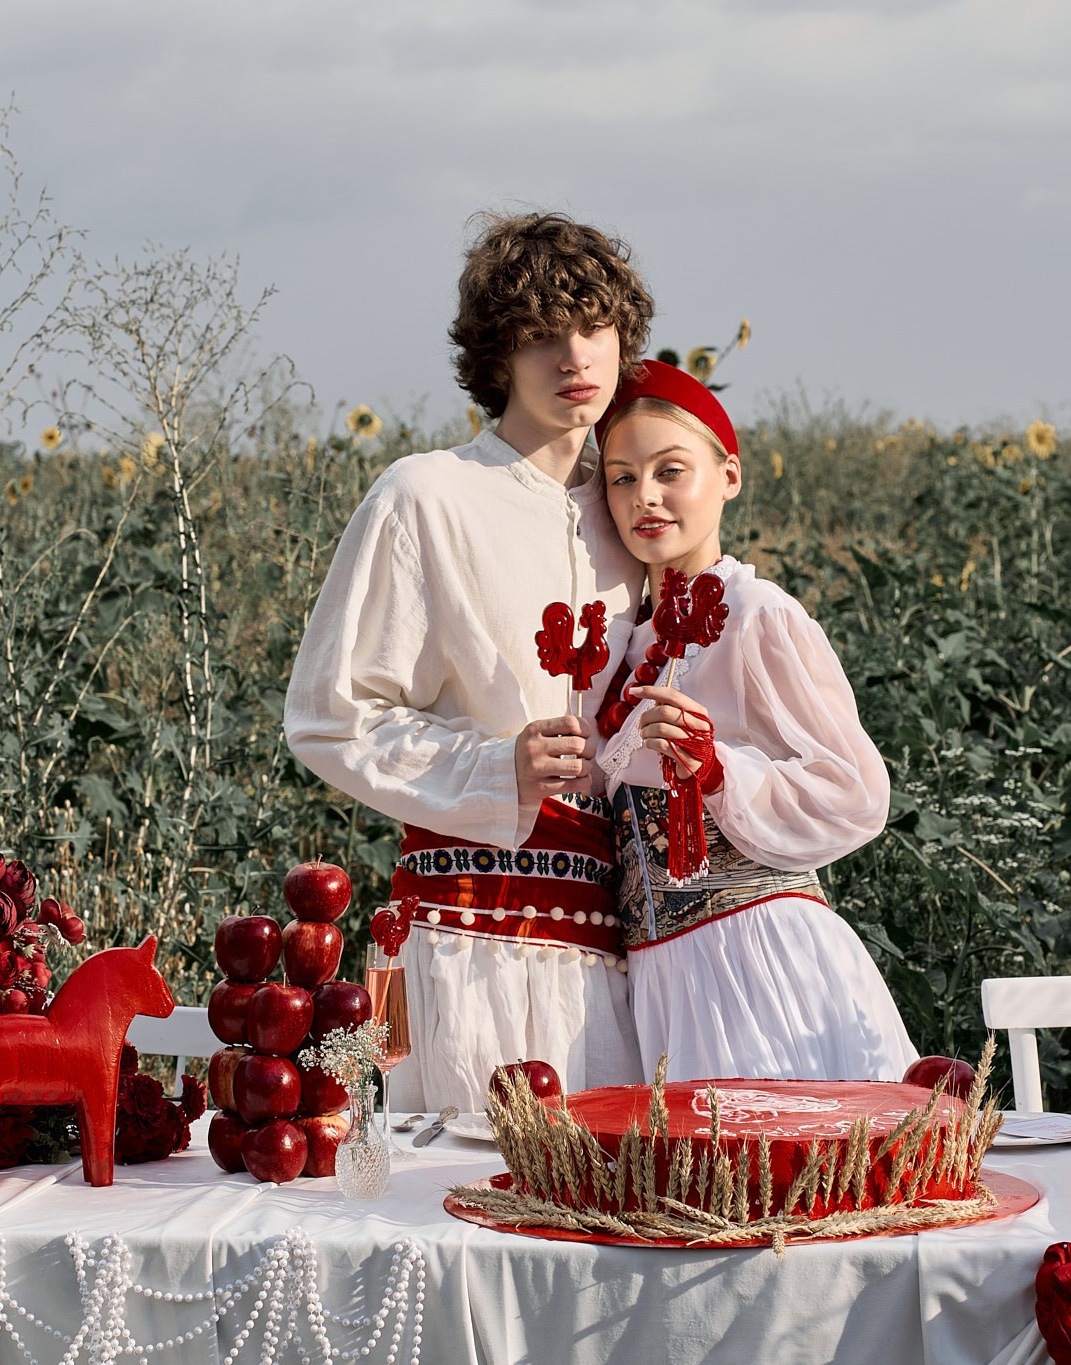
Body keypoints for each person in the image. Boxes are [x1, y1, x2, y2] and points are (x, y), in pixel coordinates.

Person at [284, 212, 652, 1113]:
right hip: (468, 943)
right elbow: (332, 717)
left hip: (629, 957)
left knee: (625, 1237)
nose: (574, 354)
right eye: (540, 332)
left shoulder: (639, 504)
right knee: (460, 1218)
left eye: (593, 324)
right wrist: (498, 766)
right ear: (497, 355)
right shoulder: (426, 495)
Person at [590, 360, 918, 1082]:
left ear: (728, 475)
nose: (645, 496)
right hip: (660, 979)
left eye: (670, 470)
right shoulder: (625, 640)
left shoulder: (757, 613)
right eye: (621, 476)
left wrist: (715, 769)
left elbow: (857, 791)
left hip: (757, 960)